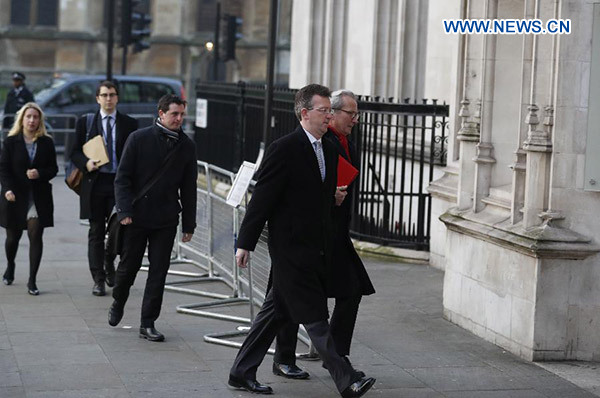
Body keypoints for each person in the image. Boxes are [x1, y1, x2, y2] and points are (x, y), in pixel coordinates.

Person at [228, 84, 376, 398]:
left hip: (316, 248)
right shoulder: (284, 148)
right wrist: (245, 242)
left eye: (330, 111)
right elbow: (262, 200)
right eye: (323, 111)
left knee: (273, 314)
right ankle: (345, 378)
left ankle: (241, 372)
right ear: (305, 113)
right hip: (290, 249)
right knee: (315, 317)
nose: (329, 117)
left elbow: (318, 195)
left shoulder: (329, 149)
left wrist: (332, 197)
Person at [273, 89, 376, 380]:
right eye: (350, 114)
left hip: (335, 235)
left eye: (356, 114)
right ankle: (284, 358)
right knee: (284, 300)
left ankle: (336, 357)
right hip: (306, 237)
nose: (354, 119)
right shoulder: (318, 141)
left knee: (351, 289)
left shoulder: (346, 144)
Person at [108, 94, 197, 342]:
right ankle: (119, 299)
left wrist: (189, 224)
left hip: (166, 218)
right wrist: (124, 212)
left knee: (159, 271)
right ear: (161, 114)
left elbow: (189, 188)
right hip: (136, 217)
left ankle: (148, 322)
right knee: (128, 268)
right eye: (174, 114)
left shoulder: (187, 146)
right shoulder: (138, 139)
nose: (179, 119)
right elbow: (122, 178)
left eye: (182, 114)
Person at [69, 81, 138, 296]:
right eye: (104, 95)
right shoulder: (86, 123)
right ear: (97, 98)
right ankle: (98, 279)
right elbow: (74, 152)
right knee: (96, 231)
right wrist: (86, 164)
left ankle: (109, 259)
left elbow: (135, 155)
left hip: (119, 185)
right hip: (95, 184)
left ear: (117, 98)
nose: (109, 99)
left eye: (112, 95)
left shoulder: (129, 124)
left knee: (120, 227)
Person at [0, 102, 58, 294]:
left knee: (35, 233)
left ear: (40, 120)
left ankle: (32, 280)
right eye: (28, 116)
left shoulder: (46, 142)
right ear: (22, 119)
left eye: (35, 117)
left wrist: (39, 173)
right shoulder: (10, 141)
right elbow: (4, 168)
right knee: (12, 237)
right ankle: (10, 265)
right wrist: (7, 189)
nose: (32, 120)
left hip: (37, 197)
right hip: (14, 196)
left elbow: (53, 169)